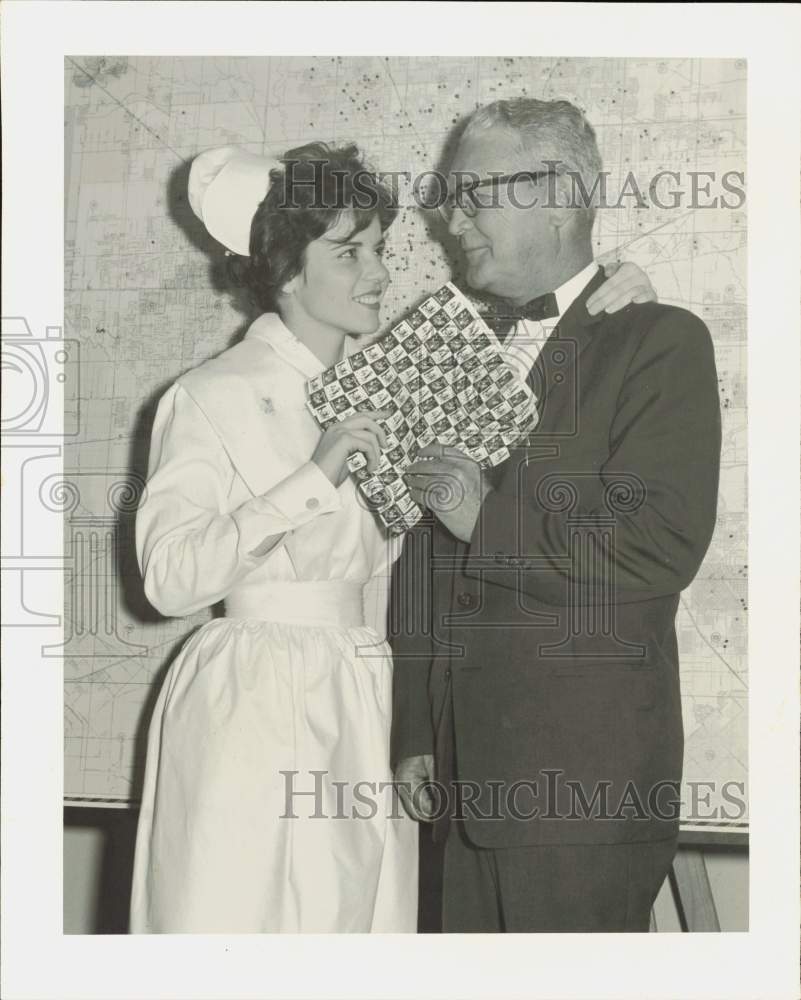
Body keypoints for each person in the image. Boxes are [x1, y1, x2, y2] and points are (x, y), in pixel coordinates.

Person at [130, 137, 657, 934]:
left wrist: (624, 286)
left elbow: (542, 338)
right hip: (250, 699)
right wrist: (315, 475)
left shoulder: (399, 378)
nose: (379, 274)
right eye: (348, 253)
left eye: (378, 248)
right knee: (237, 926)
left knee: (361, 933)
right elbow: (170, 579)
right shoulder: (210, 395)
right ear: (283, 272)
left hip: (365, 692)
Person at [393, 98, 722, 933]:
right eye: (448, 195)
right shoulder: (452, 342)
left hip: (582, 790)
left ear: (562, 193)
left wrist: (485, 517)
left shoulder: (658, 339)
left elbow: (658, 547)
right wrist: (413, 726)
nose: (451, 218)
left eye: (474, 193)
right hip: (461, 784)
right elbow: (423, 555)